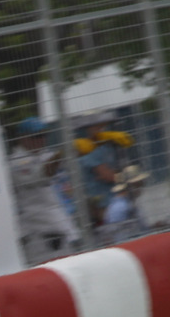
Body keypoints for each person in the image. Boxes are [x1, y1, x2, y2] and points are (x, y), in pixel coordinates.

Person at [9, 116, 75, 265]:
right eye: (36, 136)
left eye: (43, 135)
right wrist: (61, 154)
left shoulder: (45, 154)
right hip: (39, 235)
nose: (41, 140)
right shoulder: (17, 162)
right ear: (23, 138)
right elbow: (42, 174)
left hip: (61, 229)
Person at [75, 110, 131, 228]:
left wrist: (118, 175)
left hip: (118, 198)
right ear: (89, 129)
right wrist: (124, 176)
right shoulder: (89, 149)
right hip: (103, 206)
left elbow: (117, 173)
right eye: (98, 126)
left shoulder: (110, 146)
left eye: (104, 125)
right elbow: (108, 176)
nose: (102, 129)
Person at [102, 165, 150, 244]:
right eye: (139, 184)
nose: (141, 187)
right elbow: (119, 237)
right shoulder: (120, 207)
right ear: (131, 186)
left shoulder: (129, 204)